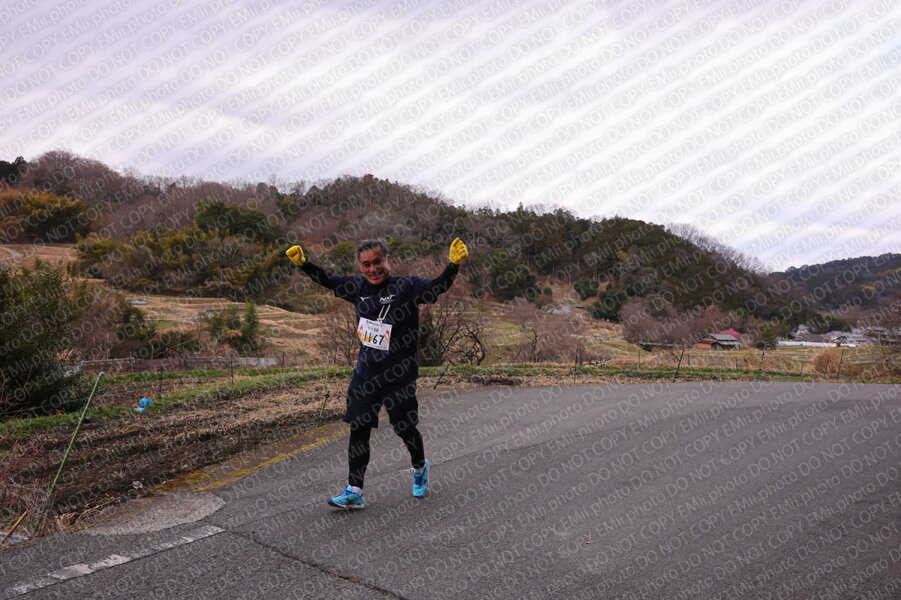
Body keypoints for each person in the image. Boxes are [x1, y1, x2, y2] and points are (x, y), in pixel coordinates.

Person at [286, 237, 468, 509]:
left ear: (388, 260)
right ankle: (355, 490)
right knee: (359, 429)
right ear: (360, 267)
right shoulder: (356, 287)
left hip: (399, 376)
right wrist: (304, 264)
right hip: (366, 374)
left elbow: (436, 287)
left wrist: (453, 266)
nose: (373, 269)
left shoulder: (407, 286)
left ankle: (420, 466)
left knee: (404, 428)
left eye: (377, 262)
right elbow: (328, 280)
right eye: (366, 264)